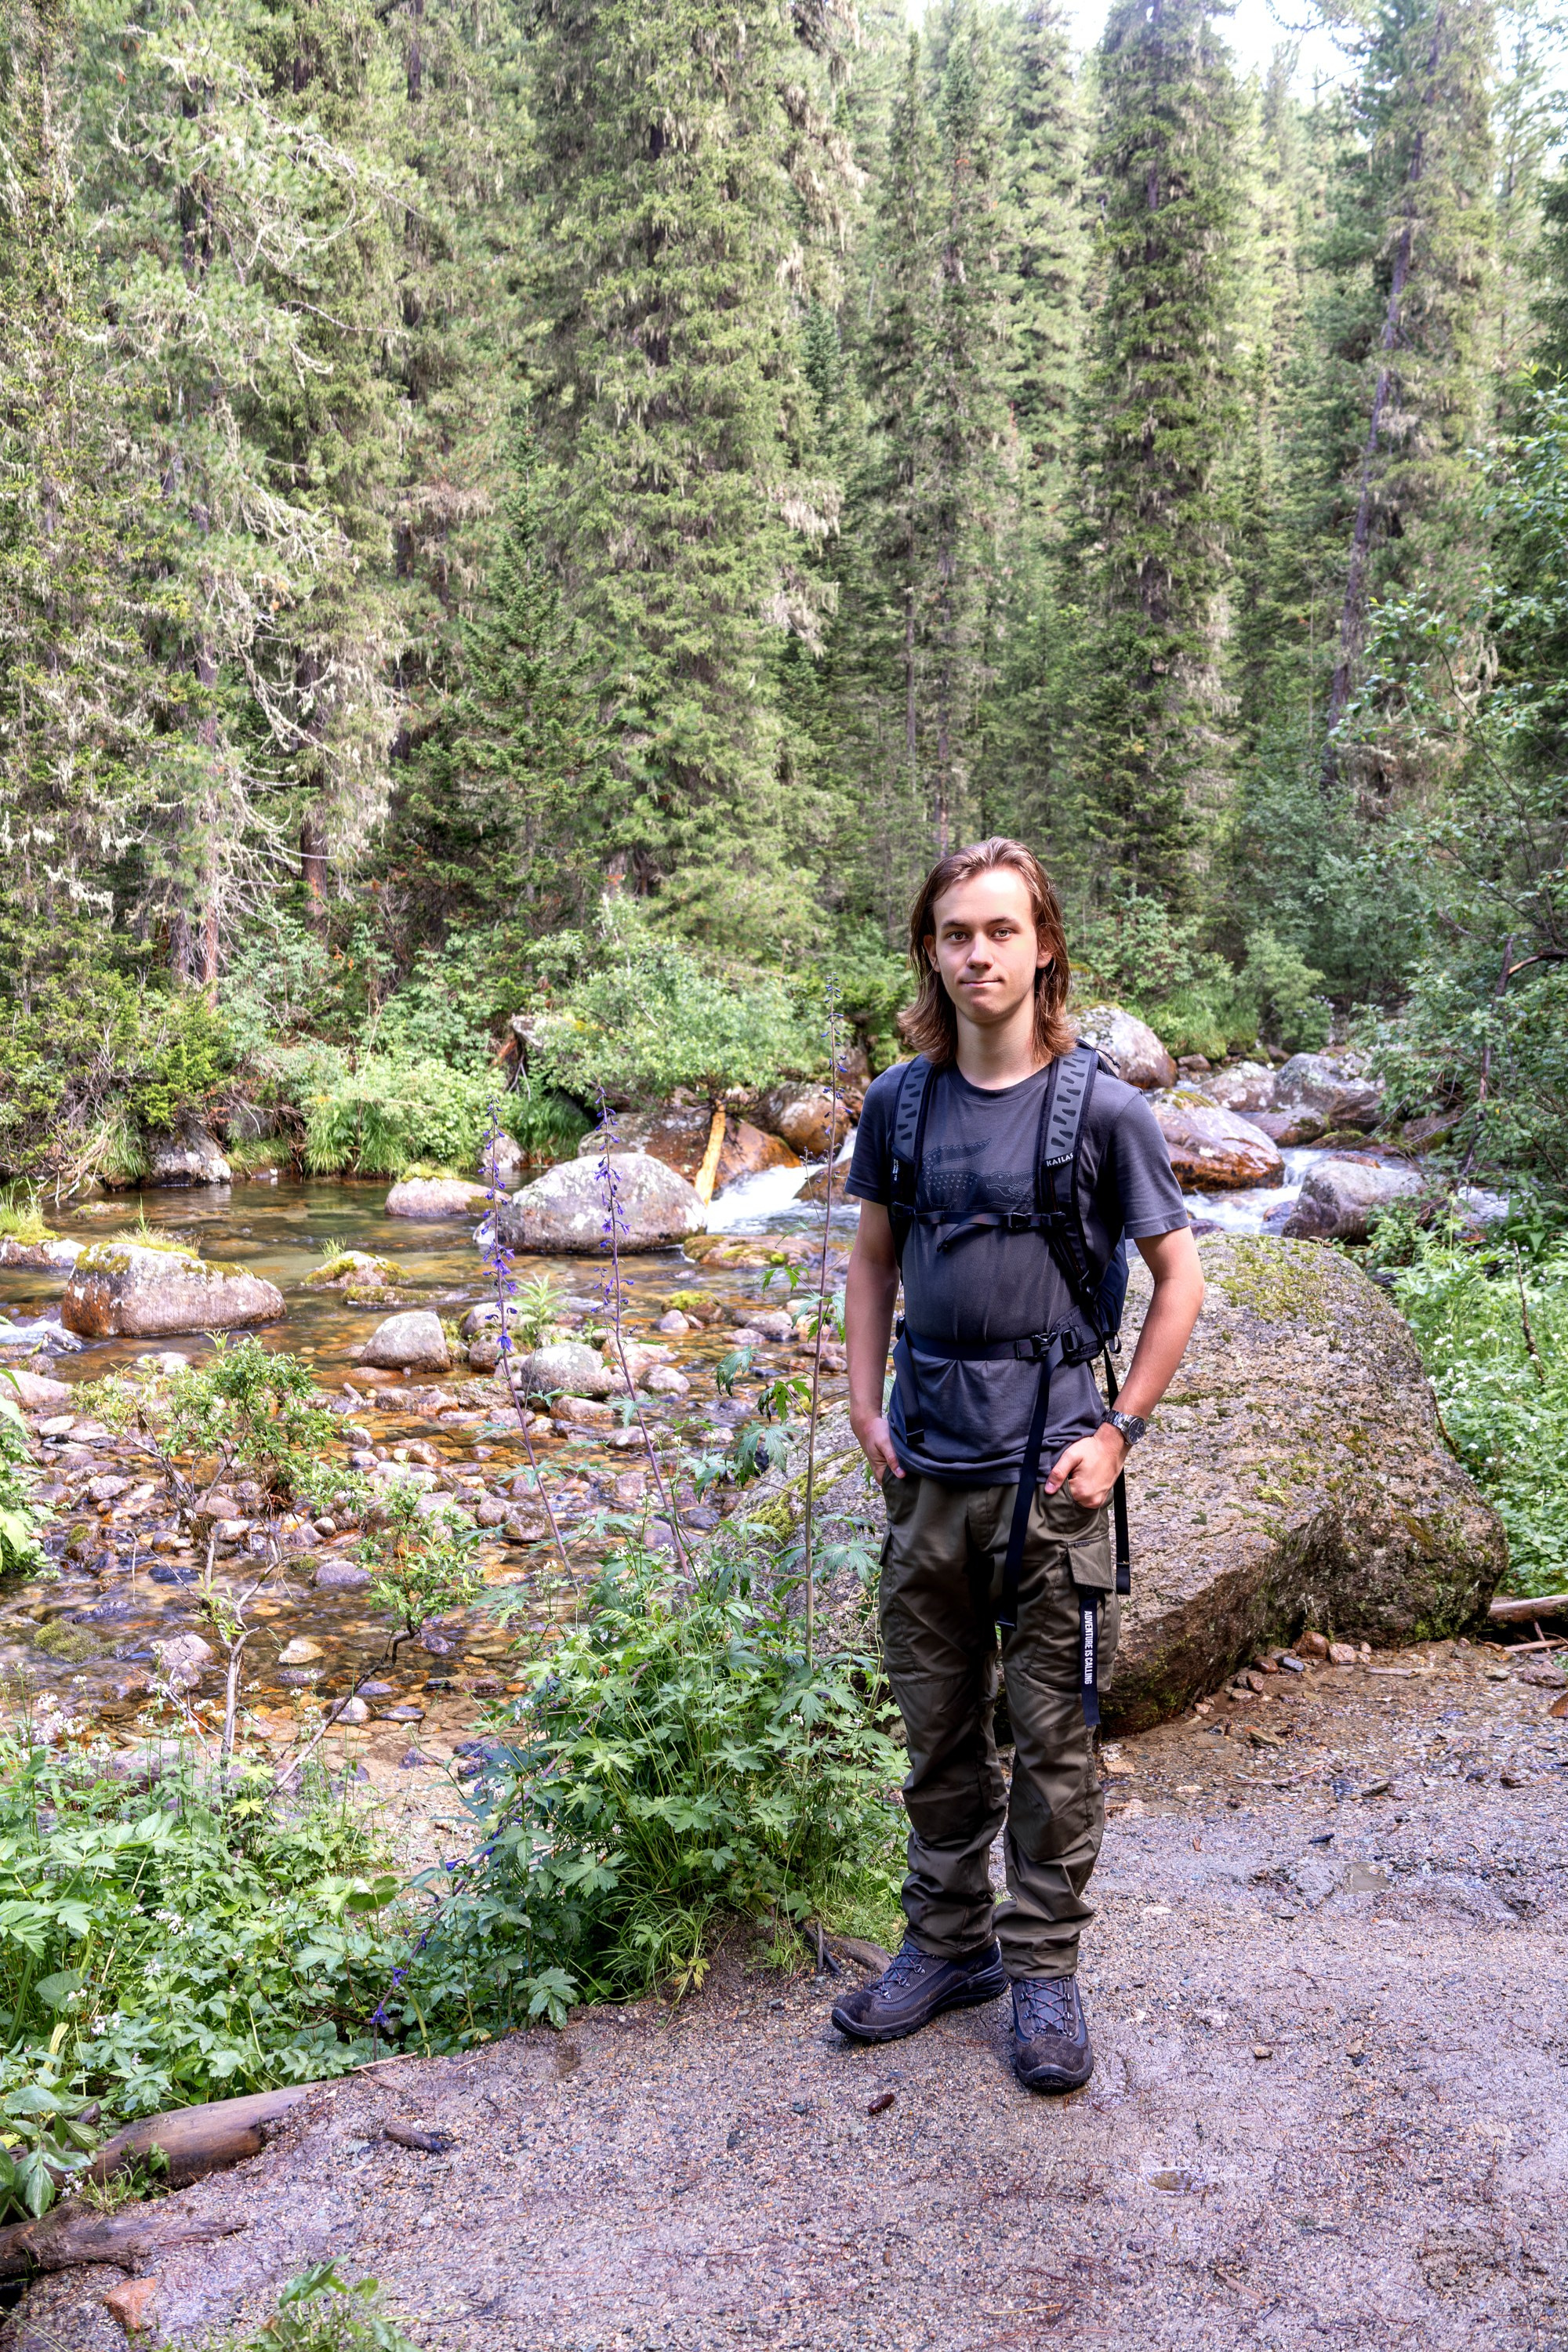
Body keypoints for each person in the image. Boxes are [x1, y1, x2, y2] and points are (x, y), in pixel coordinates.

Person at [833, 837, 1205, 2092]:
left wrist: (1120, 1433)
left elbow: (1180, 1280)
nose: (977, 954)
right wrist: (861, 1400)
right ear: (931, 953)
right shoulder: (899, 1103)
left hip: (1052, 1475)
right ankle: (948, 1947)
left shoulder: (1102, 1108)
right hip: (927, 1457)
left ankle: (1042, 1972)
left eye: (999, 931)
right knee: (935, 1726)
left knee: (1050, 1737)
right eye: (954, 934)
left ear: (1043, 945)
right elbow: (875, 1259)